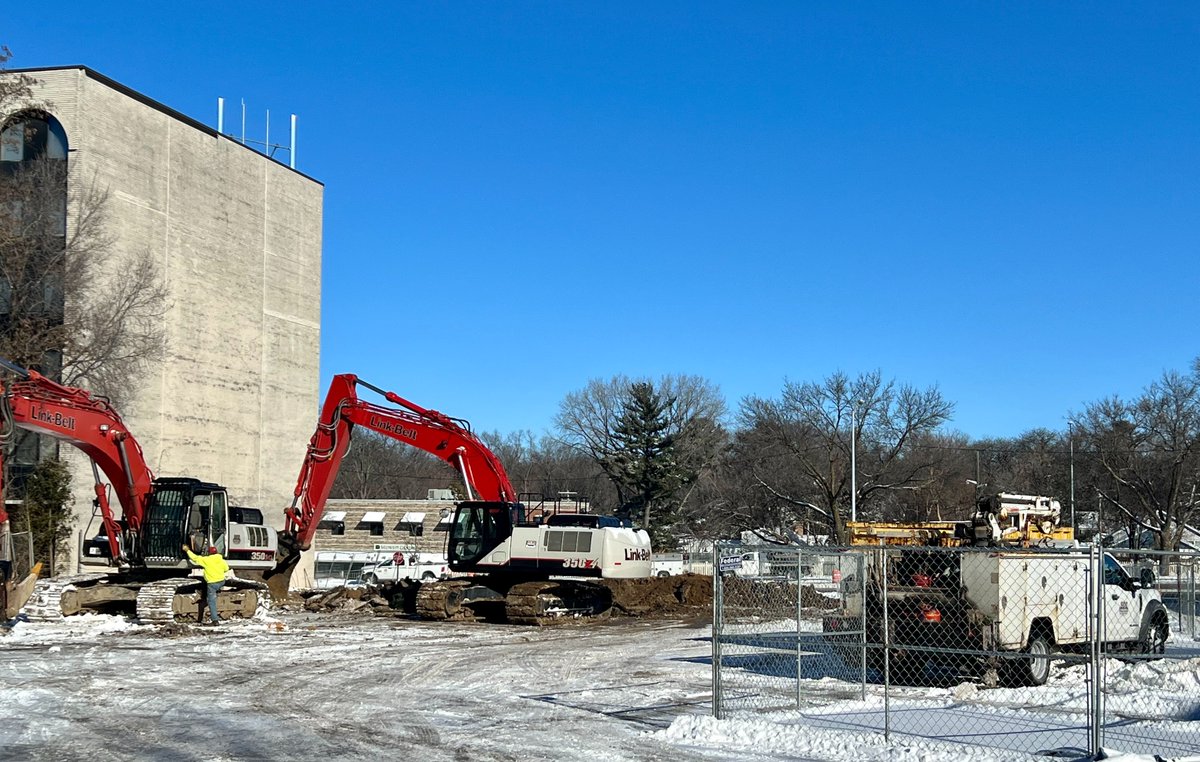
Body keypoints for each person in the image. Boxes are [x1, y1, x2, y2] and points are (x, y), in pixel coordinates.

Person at [182, 544, 230, 625]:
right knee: (213, 591)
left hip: (212, 583)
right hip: (221, 582)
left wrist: (187, 550)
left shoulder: (207, 560)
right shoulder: (221, 560)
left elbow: (195, 558)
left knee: (212, 601)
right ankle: (214, 593)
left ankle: (215, 620)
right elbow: (226, 569)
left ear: (209, 553)